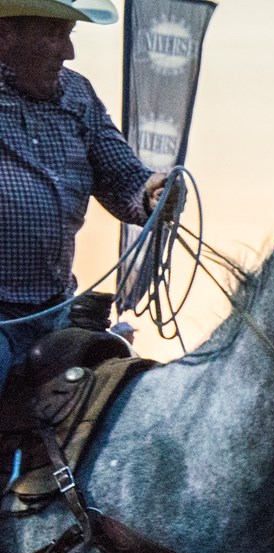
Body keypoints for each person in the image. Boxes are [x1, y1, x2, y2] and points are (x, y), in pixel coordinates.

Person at [0, 0, 169, 395]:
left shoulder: (78, 95)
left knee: (120, 386)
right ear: (5, 36)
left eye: (69, 35)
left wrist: (149, 196)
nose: (68, 51)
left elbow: (125, 180)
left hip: (57, 313)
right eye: (53, 34)